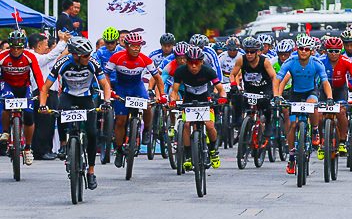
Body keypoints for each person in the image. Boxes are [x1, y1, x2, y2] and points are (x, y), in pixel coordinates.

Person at [38, 37, 112, 190]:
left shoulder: (92, 63)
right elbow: (45, 87)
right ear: (76, 55)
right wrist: (42, 105)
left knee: (92, 133)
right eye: (85, 55)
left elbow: (105, 85)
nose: (88, 57)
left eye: (89, 54)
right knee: (59, 110)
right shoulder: (63, 62)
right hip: (68, 95)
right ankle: (64, 145)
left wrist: (107, 102)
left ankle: (91, 171)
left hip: (86, 97)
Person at [275, 35, 332, 175]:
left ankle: (315, 131)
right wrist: (277, 95)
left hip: (311, 92)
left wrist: (329, 97)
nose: (303, 51)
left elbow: (325, 82)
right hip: (295, 93)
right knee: (293, 125)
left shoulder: (317, 63)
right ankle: (291, 156)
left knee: (311, 104)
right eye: (301, 48)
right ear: (297, 49)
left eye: (307, 49)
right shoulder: (290, 61)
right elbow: (279, 80)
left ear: (311, 50)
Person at [108, 32, 165, 167]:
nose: (136, 49)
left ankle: (146, 130)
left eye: (138, 46)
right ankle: (120, 149)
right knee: (120, 121)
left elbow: (158, 78)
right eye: (133, 46)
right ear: (126, 46)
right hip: (121, 88)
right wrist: (109, 90)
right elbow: (105, 75)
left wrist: (162, 95)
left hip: (137, 87)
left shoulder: (145, 59)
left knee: (148, 106)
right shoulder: (116, 57)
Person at [169, 46, 226, 170]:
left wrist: (223, 98)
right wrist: (172, 101)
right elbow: (174, 91)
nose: (194, 66)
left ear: (201, 62)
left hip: (205, 100)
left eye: (197, 63)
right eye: (190, 63)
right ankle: (189, 156)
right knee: (186, 125)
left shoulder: (208, 70)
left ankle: (213, 151)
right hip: (188, 100)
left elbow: (221, 89)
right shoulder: (180, 71)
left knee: (210, 125)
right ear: (186, 62)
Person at [0, 30, 44, 165]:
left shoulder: (30, 56)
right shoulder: (2, 56)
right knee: (7, 104)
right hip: (8, 86)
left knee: (29, 117)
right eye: (12, 47)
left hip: (25, 87)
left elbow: (38, 76)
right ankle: (6, 132)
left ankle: (28, 149)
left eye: (19, 48)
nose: (15, 51)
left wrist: (42, 94)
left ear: (23, 47)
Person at [28, 31, 69, 160]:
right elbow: (53, 55)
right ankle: (40, 152)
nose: (48, 47)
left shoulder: (41, 57)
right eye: (46, 44)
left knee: (49, 122)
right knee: (43, 123)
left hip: (50, 93)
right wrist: (63, 42)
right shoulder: (34, 57)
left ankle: (47, 149)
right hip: (42, 93)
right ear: (38, 46)